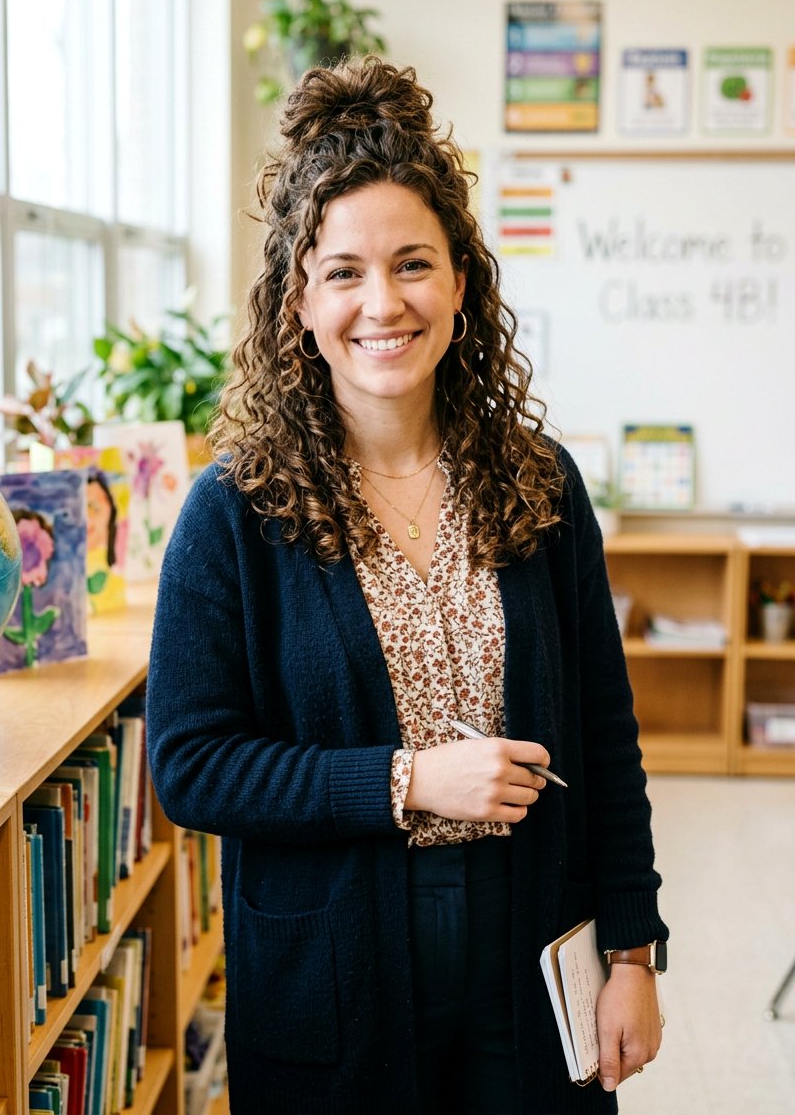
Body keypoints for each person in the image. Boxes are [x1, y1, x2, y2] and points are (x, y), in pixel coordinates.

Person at [146, 57, 668, 1114]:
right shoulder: (232, 511)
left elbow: (604, 738)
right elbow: (191, 765)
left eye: (412, 264)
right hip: (332, 971)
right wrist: (404, 781)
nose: (381, 302)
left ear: (461, 282)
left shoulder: (537, 482)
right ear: (297, 299)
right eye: (342, 271)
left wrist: (632, 950)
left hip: (528, 955)